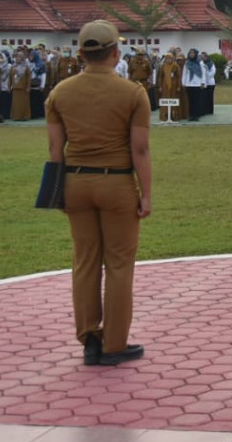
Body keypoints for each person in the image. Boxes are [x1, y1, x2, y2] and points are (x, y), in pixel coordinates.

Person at [46, 19, 152, 366]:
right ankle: (114, 344)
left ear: (81, 53)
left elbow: (54, 150)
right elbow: (140, 151)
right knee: (119, 264)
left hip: (75, 183)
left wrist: (54, 193)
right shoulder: (132, 93)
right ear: (116, 52)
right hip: (116, 182)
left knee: (85, 261)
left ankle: (89, 338)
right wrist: (146, 194)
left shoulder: (60, 92)